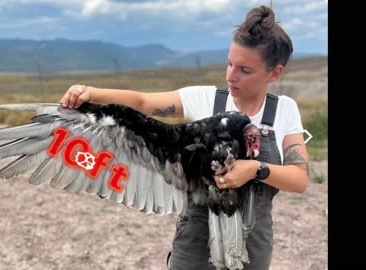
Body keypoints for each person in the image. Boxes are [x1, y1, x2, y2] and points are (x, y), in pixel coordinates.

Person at [60, 5, 309, 270]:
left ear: (275, 73)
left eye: (244, 70)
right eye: (229, 63)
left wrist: (255, 169)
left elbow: (299, 179)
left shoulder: (283, 110)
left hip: (252, 246)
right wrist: (91, 92)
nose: (230, 76)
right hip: (195, 243)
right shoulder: (206, 99)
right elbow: (143, 102)